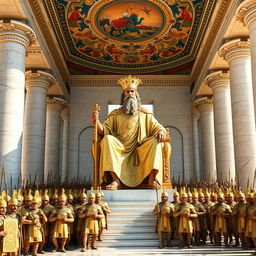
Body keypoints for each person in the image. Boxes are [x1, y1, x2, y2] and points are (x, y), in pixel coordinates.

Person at [91, 75, 168, 189]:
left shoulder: (145, 114)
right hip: (120, 149)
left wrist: (161, 131)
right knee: (108, 140)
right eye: (127, 92)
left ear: (136, 94)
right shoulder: (115, 114)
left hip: (141, 149)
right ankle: (116, 180)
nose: (130, 94)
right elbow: (104, 131)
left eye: (132, 91)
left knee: (155, 141)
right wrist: (95, 122)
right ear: (124, 95)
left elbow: (158, 127)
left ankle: (152, 179)